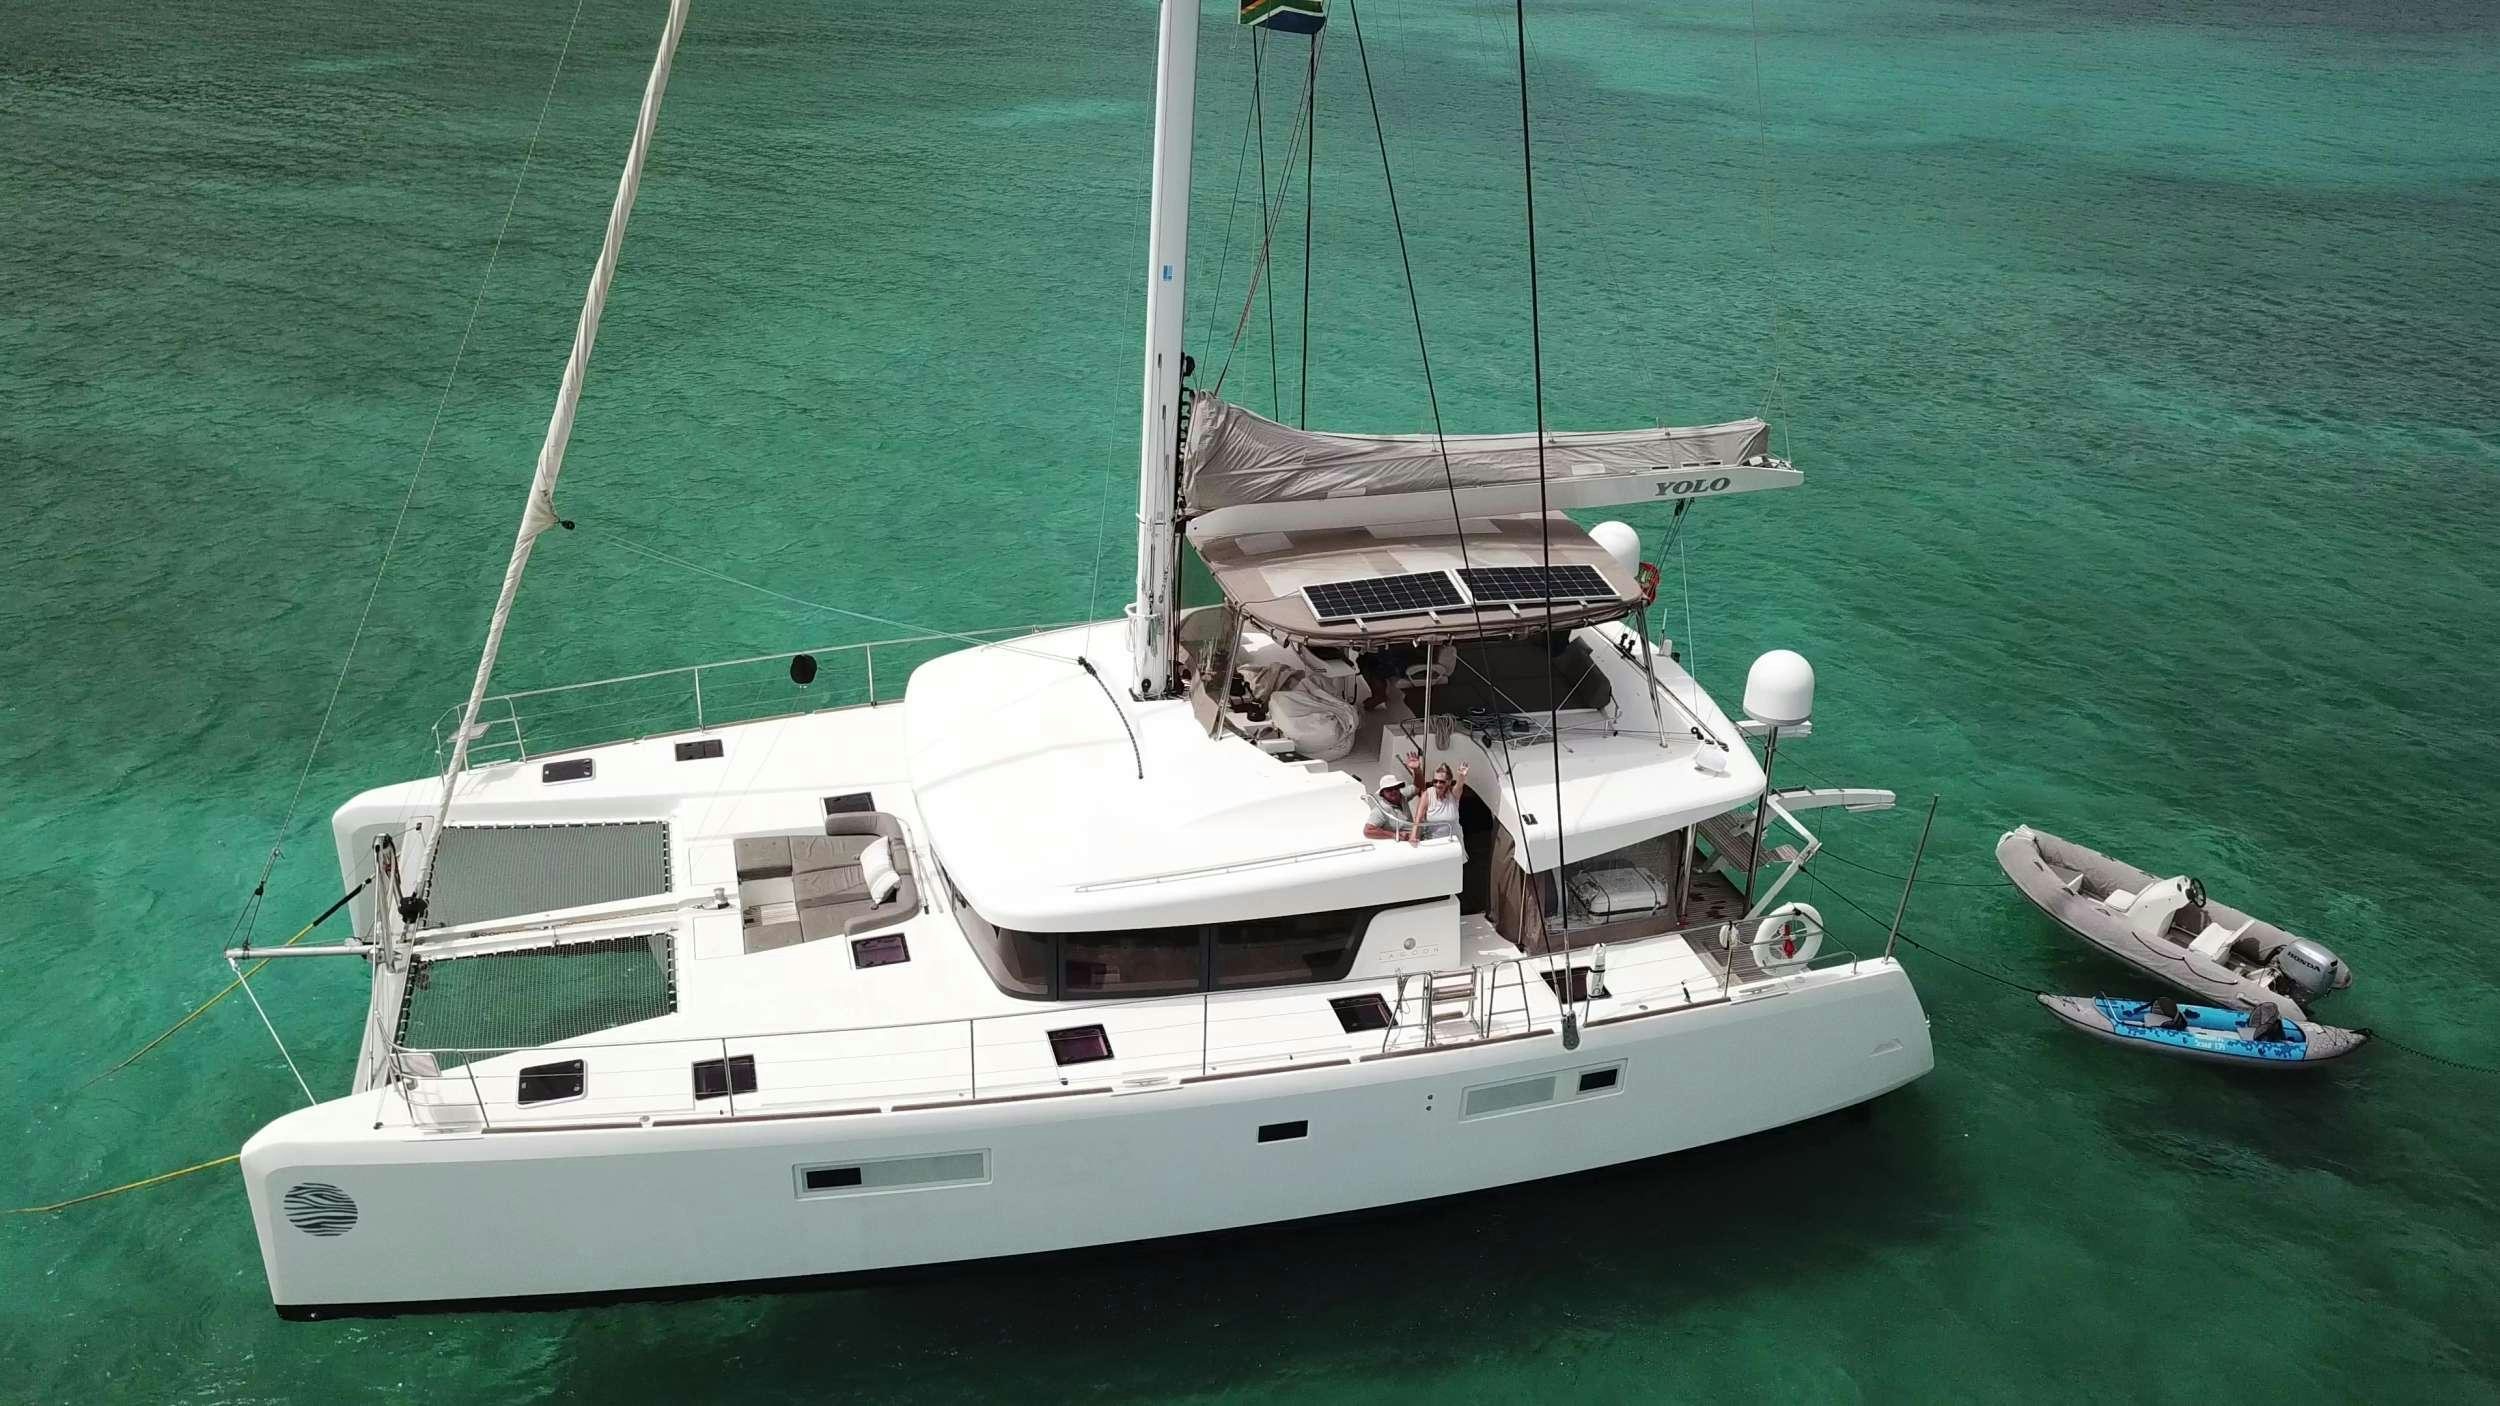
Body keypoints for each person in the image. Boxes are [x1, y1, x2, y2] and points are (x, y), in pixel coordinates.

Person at [1407, 761, 1467, 844]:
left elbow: (1459, 785)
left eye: (1442, 782)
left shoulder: (1453, 793)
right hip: (1434, 842)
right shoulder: (1427, 794)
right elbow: (1418, 818)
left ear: (1449, 782)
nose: (1438, 784)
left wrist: (1461, 776)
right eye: (1435, 781)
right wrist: (1413, 837)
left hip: (1454, 843)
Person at [1362, 774, 1413, 840]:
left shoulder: (1402, 795)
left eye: (1396, 788)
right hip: (1405, 841)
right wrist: (1394, 835)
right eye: (1389, 790)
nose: (1394, 791)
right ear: (1382, 793)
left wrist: (1416, 771)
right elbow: (1367, 832)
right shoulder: (1380, 810)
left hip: (1417, 833)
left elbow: (1417, 787)